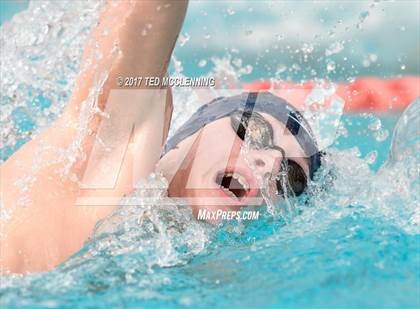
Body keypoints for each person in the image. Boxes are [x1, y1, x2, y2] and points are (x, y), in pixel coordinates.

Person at [0, 1, 417, 274]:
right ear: (185, 134)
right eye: (252, 130)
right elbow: (146, 15)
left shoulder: (167, 259)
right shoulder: (105, 163)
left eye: (290, 178)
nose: (271, 163)